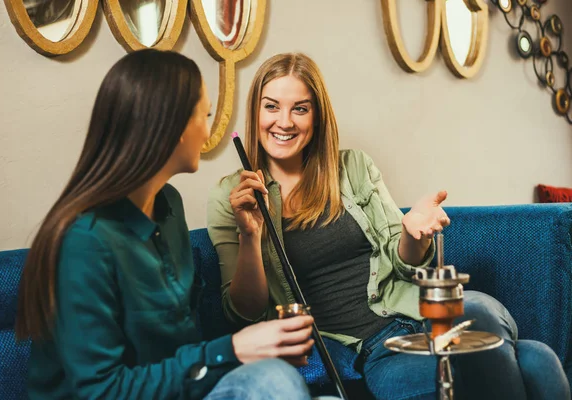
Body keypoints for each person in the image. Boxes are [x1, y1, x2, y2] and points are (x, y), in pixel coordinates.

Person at [206, 52, 571, 400]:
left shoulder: (354, 168)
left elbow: (403, 262)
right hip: (374, 353)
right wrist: (250, 236)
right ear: (255, 111)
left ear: (316, 117)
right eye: (271, 106)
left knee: (476, 309)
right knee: (537, 361)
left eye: (299, 108)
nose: (284, 121)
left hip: (420, 313)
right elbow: (244, 312)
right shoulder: (231, 196)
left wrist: (411, 234)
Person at [14, 49, 318, 400]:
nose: (208, 131)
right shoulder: (84, 241)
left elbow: (182, 354)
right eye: (203, 116)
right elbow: (101, 390)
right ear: (171, 127)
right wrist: (230, 350)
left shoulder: (168, 205)